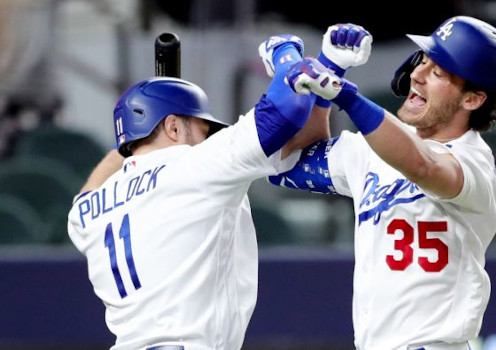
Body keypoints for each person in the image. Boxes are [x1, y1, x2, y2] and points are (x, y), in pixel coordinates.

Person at [66, 34, 342, 350]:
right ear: (172, 127)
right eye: (202, 128)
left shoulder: (87, 214)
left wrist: (132, 141)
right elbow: (288, 107)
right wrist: (285, 52)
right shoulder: (195, 165)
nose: (207, 137)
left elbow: (88, 191)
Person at [270, 17, 496, 350]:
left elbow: (424, 165)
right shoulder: (371, 149)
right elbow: (290, 161)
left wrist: (347, 97)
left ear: (472, 99)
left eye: (438, 72)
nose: (417, 74)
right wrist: (330, 67)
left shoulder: (475, 162)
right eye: (424, 61)